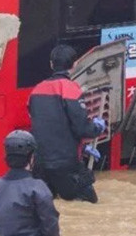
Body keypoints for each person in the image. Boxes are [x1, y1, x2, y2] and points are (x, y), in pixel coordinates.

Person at [28, 44, 106, 203]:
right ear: (75, 64)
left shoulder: (36, 91)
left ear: (51, 64)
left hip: (40, 166)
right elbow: (82, 128)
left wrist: (83, 147)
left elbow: (46, 127)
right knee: (91, 206)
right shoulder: (71, 89)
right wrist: (97, 127)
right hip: (66, 165)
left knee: (47, 208)